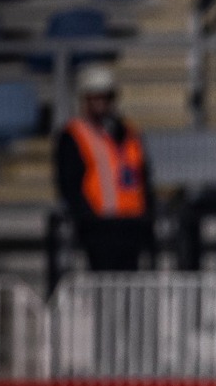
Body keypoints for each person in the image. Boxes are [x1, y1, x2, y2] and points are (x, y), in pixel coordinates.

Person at [54, 63, 154, 272]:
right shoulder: (74, 135)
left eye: (105, 97)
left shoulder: (129, 133)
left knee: (130, 292)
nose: (101, 103)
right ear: (85, 99)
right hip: (98, 229)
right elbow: (69, 184)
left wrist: (146, 219)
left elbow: (143, 178)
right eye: (95, 97)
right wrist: (86, 219)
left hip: (131, 227)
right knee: (103, 289)